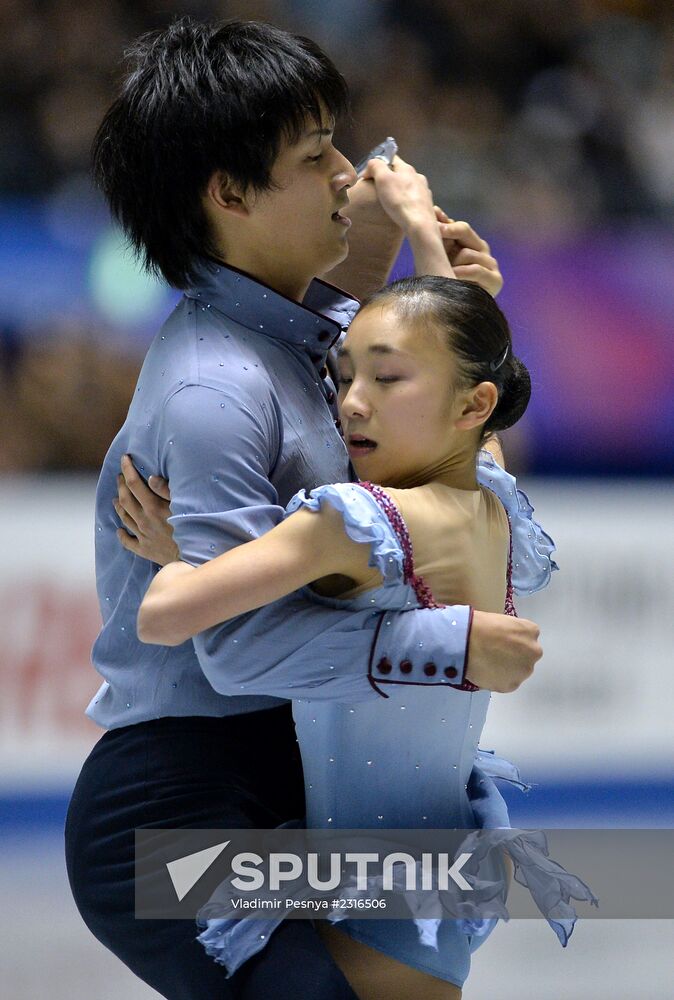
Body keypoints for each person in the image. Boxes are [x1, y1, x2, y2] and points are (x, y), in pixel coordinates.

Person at [65, 17, 543, 1000]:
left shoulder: (328, 332)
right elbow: (231, 647)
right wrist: (440, 643)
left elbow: (482, 515)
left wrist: (449, 301)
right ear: (229, 193)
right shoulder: (215, 392)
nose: (345, 170)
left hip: (303, 767)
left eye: (337, 141)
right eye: (313, 152)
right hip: (179, 799)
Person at [135, 273, 561, 999]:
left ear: (473, 403)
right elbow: (480, 425)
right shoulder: (495, 502)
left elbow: (164, 617)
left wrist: (183, 557)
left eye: (387, 377)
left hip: (363, 899)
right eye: (345, 373)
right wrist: (435, 254)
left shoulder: (357, 521)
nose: (351, 401)